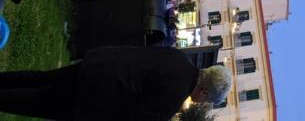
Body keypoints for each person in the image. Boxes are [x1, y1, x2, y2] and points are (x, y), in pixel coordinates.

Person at [0, 44, 232, 120]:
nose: (202, 102)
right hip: (94, 94)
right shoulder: (171, 101)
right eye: (207, 100)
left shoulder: (178, 57)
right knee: (34, 101)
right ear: (203, 91)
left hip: (99, 63)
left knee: (41, 78)